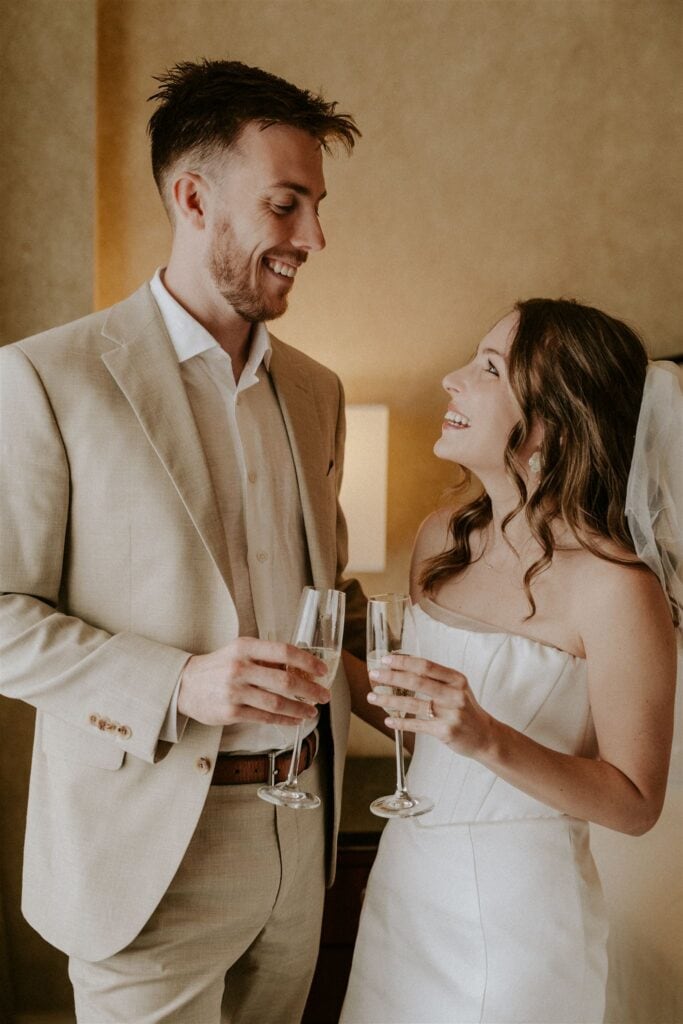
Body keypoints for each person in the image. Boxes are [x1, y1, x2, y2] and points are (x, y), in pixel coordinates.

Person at [0, 59, 366, 1023]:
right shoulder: (47, 378)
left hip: (298, 842)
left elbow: (329, 590)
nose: (314, 238)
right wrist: (178, 684)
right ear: (193, 197)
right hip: (143, 854)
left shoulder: (323, 394)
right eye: (286, 205)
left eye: (317, 208)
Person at [340, 299, 680, 1024]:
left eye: (487, 368)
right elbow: (416, 730)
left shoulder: (617, 589)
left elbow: (633, 802)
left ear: (552, 423)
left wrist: (486, 736)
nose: (449, 380)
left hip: (517, 910)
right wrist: (334, 675)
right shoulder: (439, 539)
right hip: (404, 882)